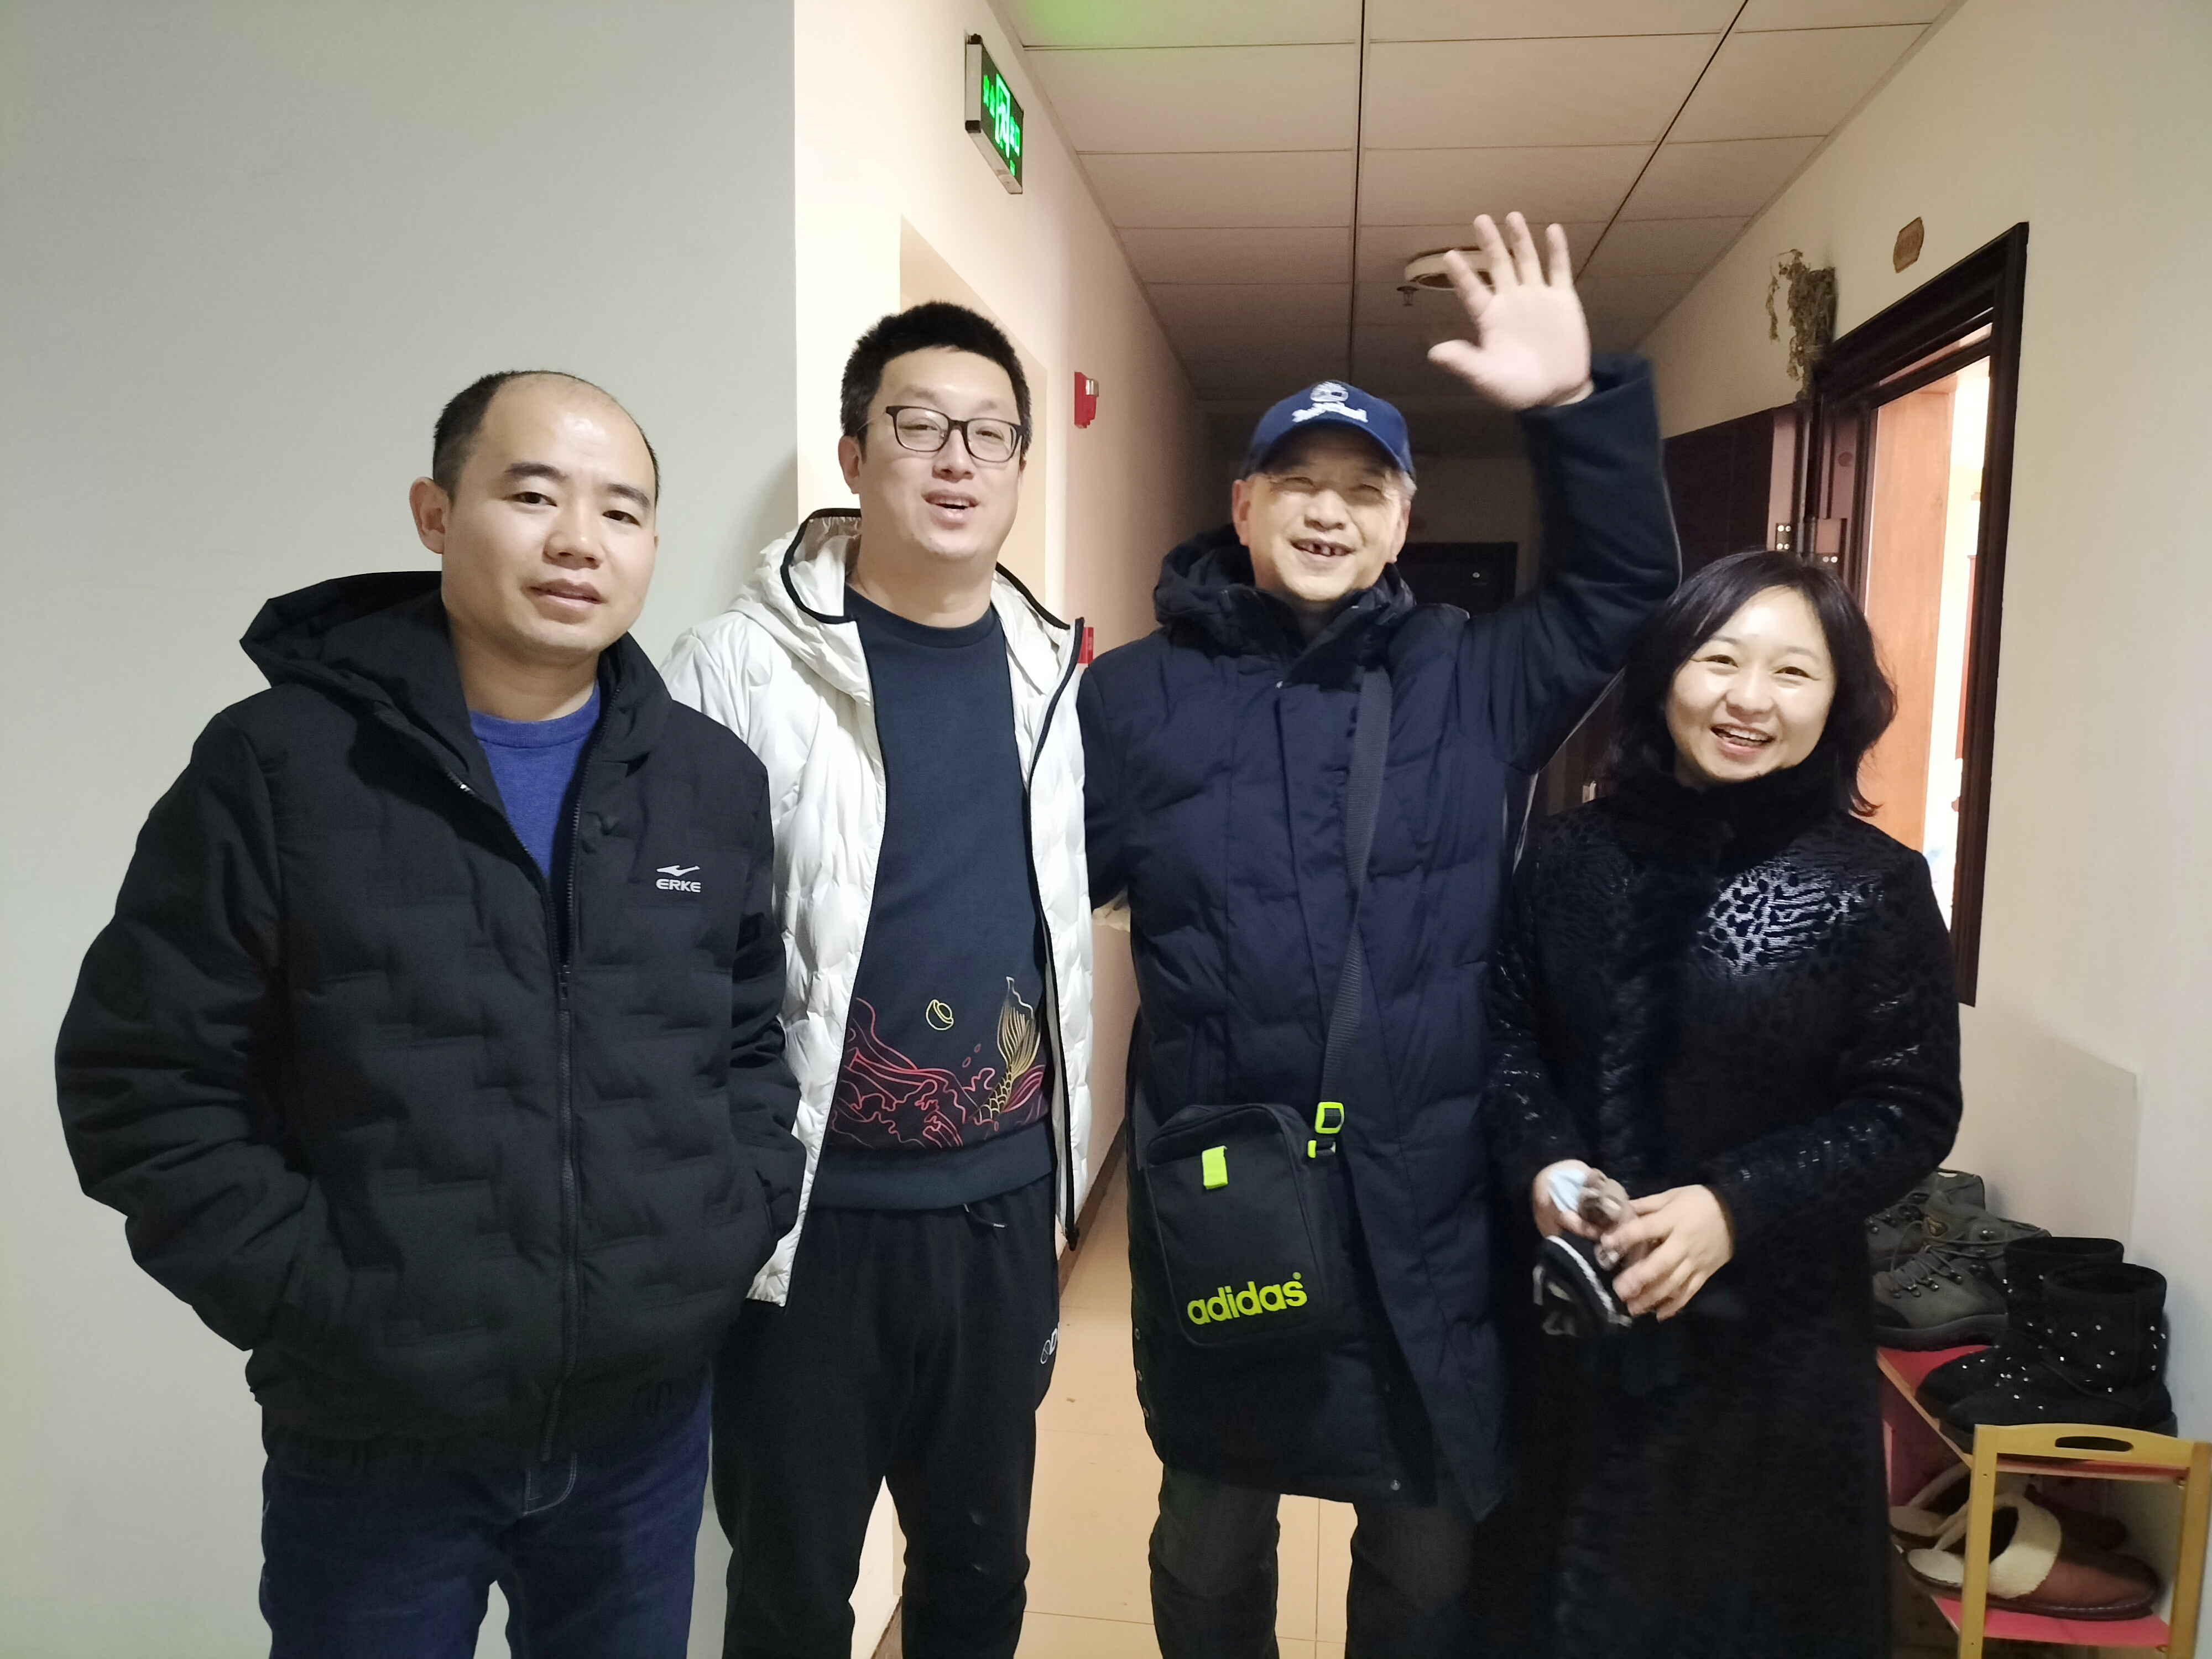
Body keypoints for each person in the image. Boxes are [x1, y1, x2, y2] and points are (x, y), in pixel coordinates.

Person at [54, 371, 804, 1658]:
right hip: (375, 1442)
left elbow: (744, 1040)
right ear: (436, 513)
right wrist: (325, 1304)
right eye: (533, 495)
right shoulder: (281, 766)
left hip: (640, 1426)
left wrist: (727, 1226)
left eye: (622, 511)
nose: (579, 540)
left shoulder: (707, 782)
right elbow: (144, 1080)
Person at [1079, 212, 1680, 1657]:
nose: (1328, 512)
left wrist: (1572, 403)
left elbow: (1623, 591)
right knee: (1210, 1536)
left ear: (1404, 523)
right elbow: (1037, 888)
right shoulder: (1134, 697)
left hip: (1425, 1199)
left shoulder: (1474, 679)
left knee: (1424, 1552)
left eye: (1364, 489)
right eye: (1298, 482)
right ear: (1242, 506)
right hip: (1229, 1194)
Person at [661, 302, 1091, 1659]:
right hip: (808, 1234)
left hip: (1000, 1217)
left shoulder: (1053, 675)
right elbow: (663, 961)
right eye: (918, 425)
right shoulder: (737, 667)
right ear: (854, 454)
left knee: (979, 1577)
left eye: (990, 433)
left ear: (1018, 465)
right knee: (791, 1594)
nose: (956, 458)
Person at [1484, 549, 1964, 1656]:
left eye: (1792, 672)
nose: (1750, 699)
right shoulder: (1565, 856)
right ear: (1664, 675)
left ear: (1837, 703)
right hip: (1572, 1325)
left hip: (1772, 1349)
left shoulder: (1872, 884)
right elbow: (1504, 1040)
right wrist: (1545, 1166)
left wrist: (1730, 1206)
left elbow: (1907, 1108)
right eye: (1720, 660)